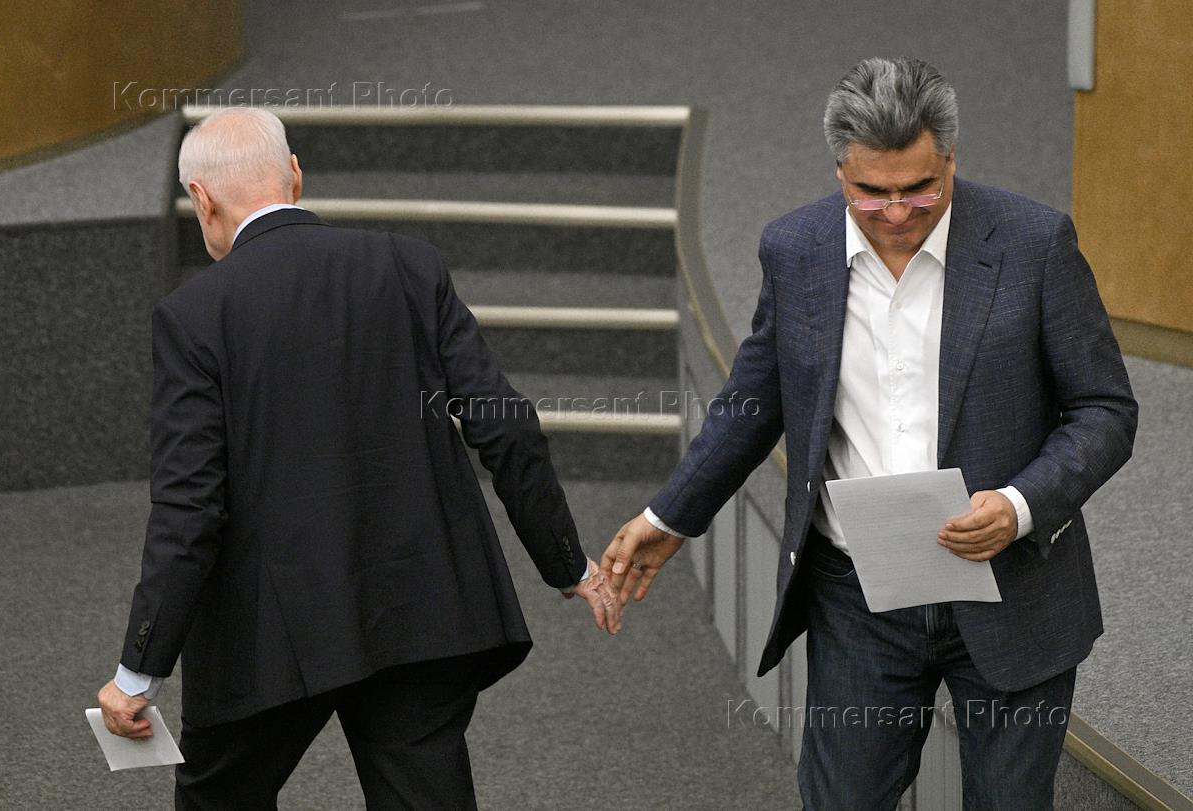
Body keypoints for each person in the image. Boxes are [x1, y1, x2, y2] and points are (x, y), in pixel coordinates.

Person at [603, 57, 1137, 810]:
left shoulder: (1034, 244)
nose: (895, 211)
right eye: (870, 192)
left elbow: (1105, 410)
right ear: (839, 171)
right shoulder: (795, 250)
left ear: (951, 159)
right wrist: (669, 516)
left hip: (1012, 585)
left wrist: (1018, 505)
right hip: (858, 593)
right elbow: (753, 401)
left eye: (919, 187)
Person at [96, 106, 621, 809]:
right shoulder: (408, 265)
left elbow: (190, 509)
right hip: (420, 609)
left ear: (202, 199)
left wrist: (138, 673)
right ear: (295, 175)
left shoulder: (194, 315)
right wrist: (568, 562)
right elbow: (506, 426)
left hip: (272, 634)